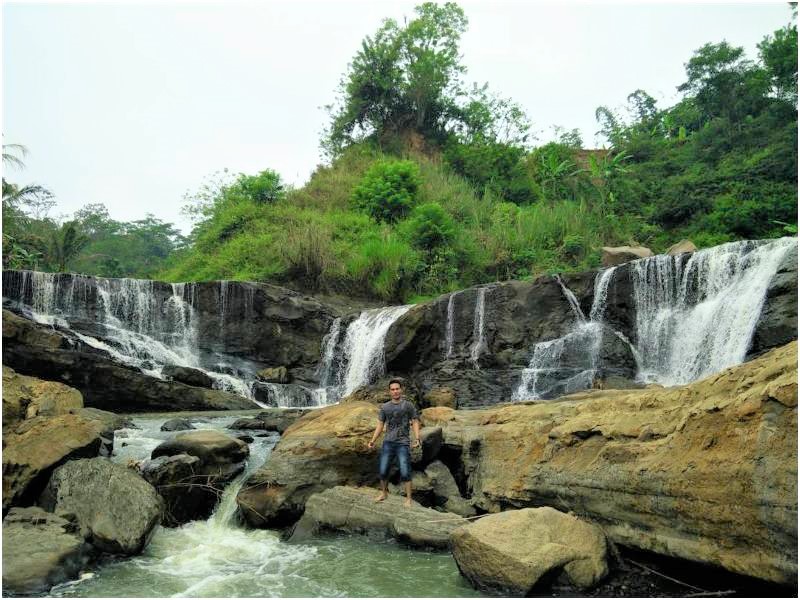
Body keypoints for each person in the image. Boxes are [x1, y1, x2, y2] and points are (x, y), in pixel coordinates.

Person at [367, 378, 421, 507]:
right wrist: (373, 440)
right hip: (388, 442)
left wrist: (417, 438)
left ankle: (408, 499)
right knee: (383, 469)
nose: (395, 391)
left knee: (405, 470)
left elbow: (415, 421)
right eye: (393, 389)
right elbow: (380, 425)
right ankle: (383, 493)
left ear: (401, 390)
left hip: (403, 443)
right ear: (389, 391)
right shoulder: (385, 407)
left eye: (397, 389)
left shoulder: (408, 405)